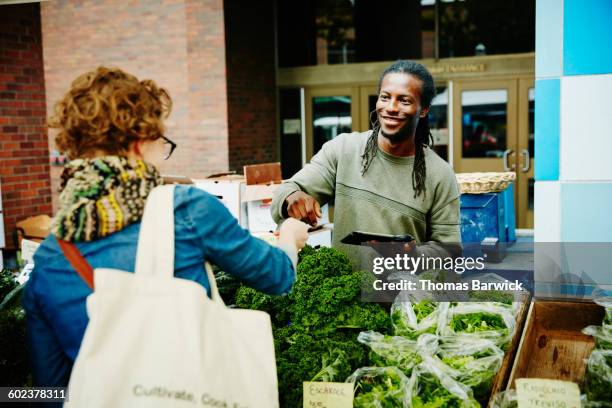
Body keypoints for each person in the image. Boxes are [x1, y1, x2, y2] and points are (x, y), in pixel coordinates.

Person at [23, 67, 309, 388]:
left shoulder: (49, 257)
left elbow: (48, 388)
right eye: (160, 142)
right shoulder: (185, 208)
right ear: (137, 143)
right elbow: (278, 277)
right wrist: (289, 236)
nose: (163, 155)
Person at [271, 60, 461, 268]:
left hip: (403, 297)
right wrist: (292, 197)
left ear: (423, 110)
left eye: (404, 101)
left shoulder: (440, 174)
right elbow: (285, 192)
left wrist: (411, 254)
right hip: (344, 294)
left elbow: (449, 251)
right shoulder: (343, 149)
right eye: (385, 97)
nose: (391, 107)